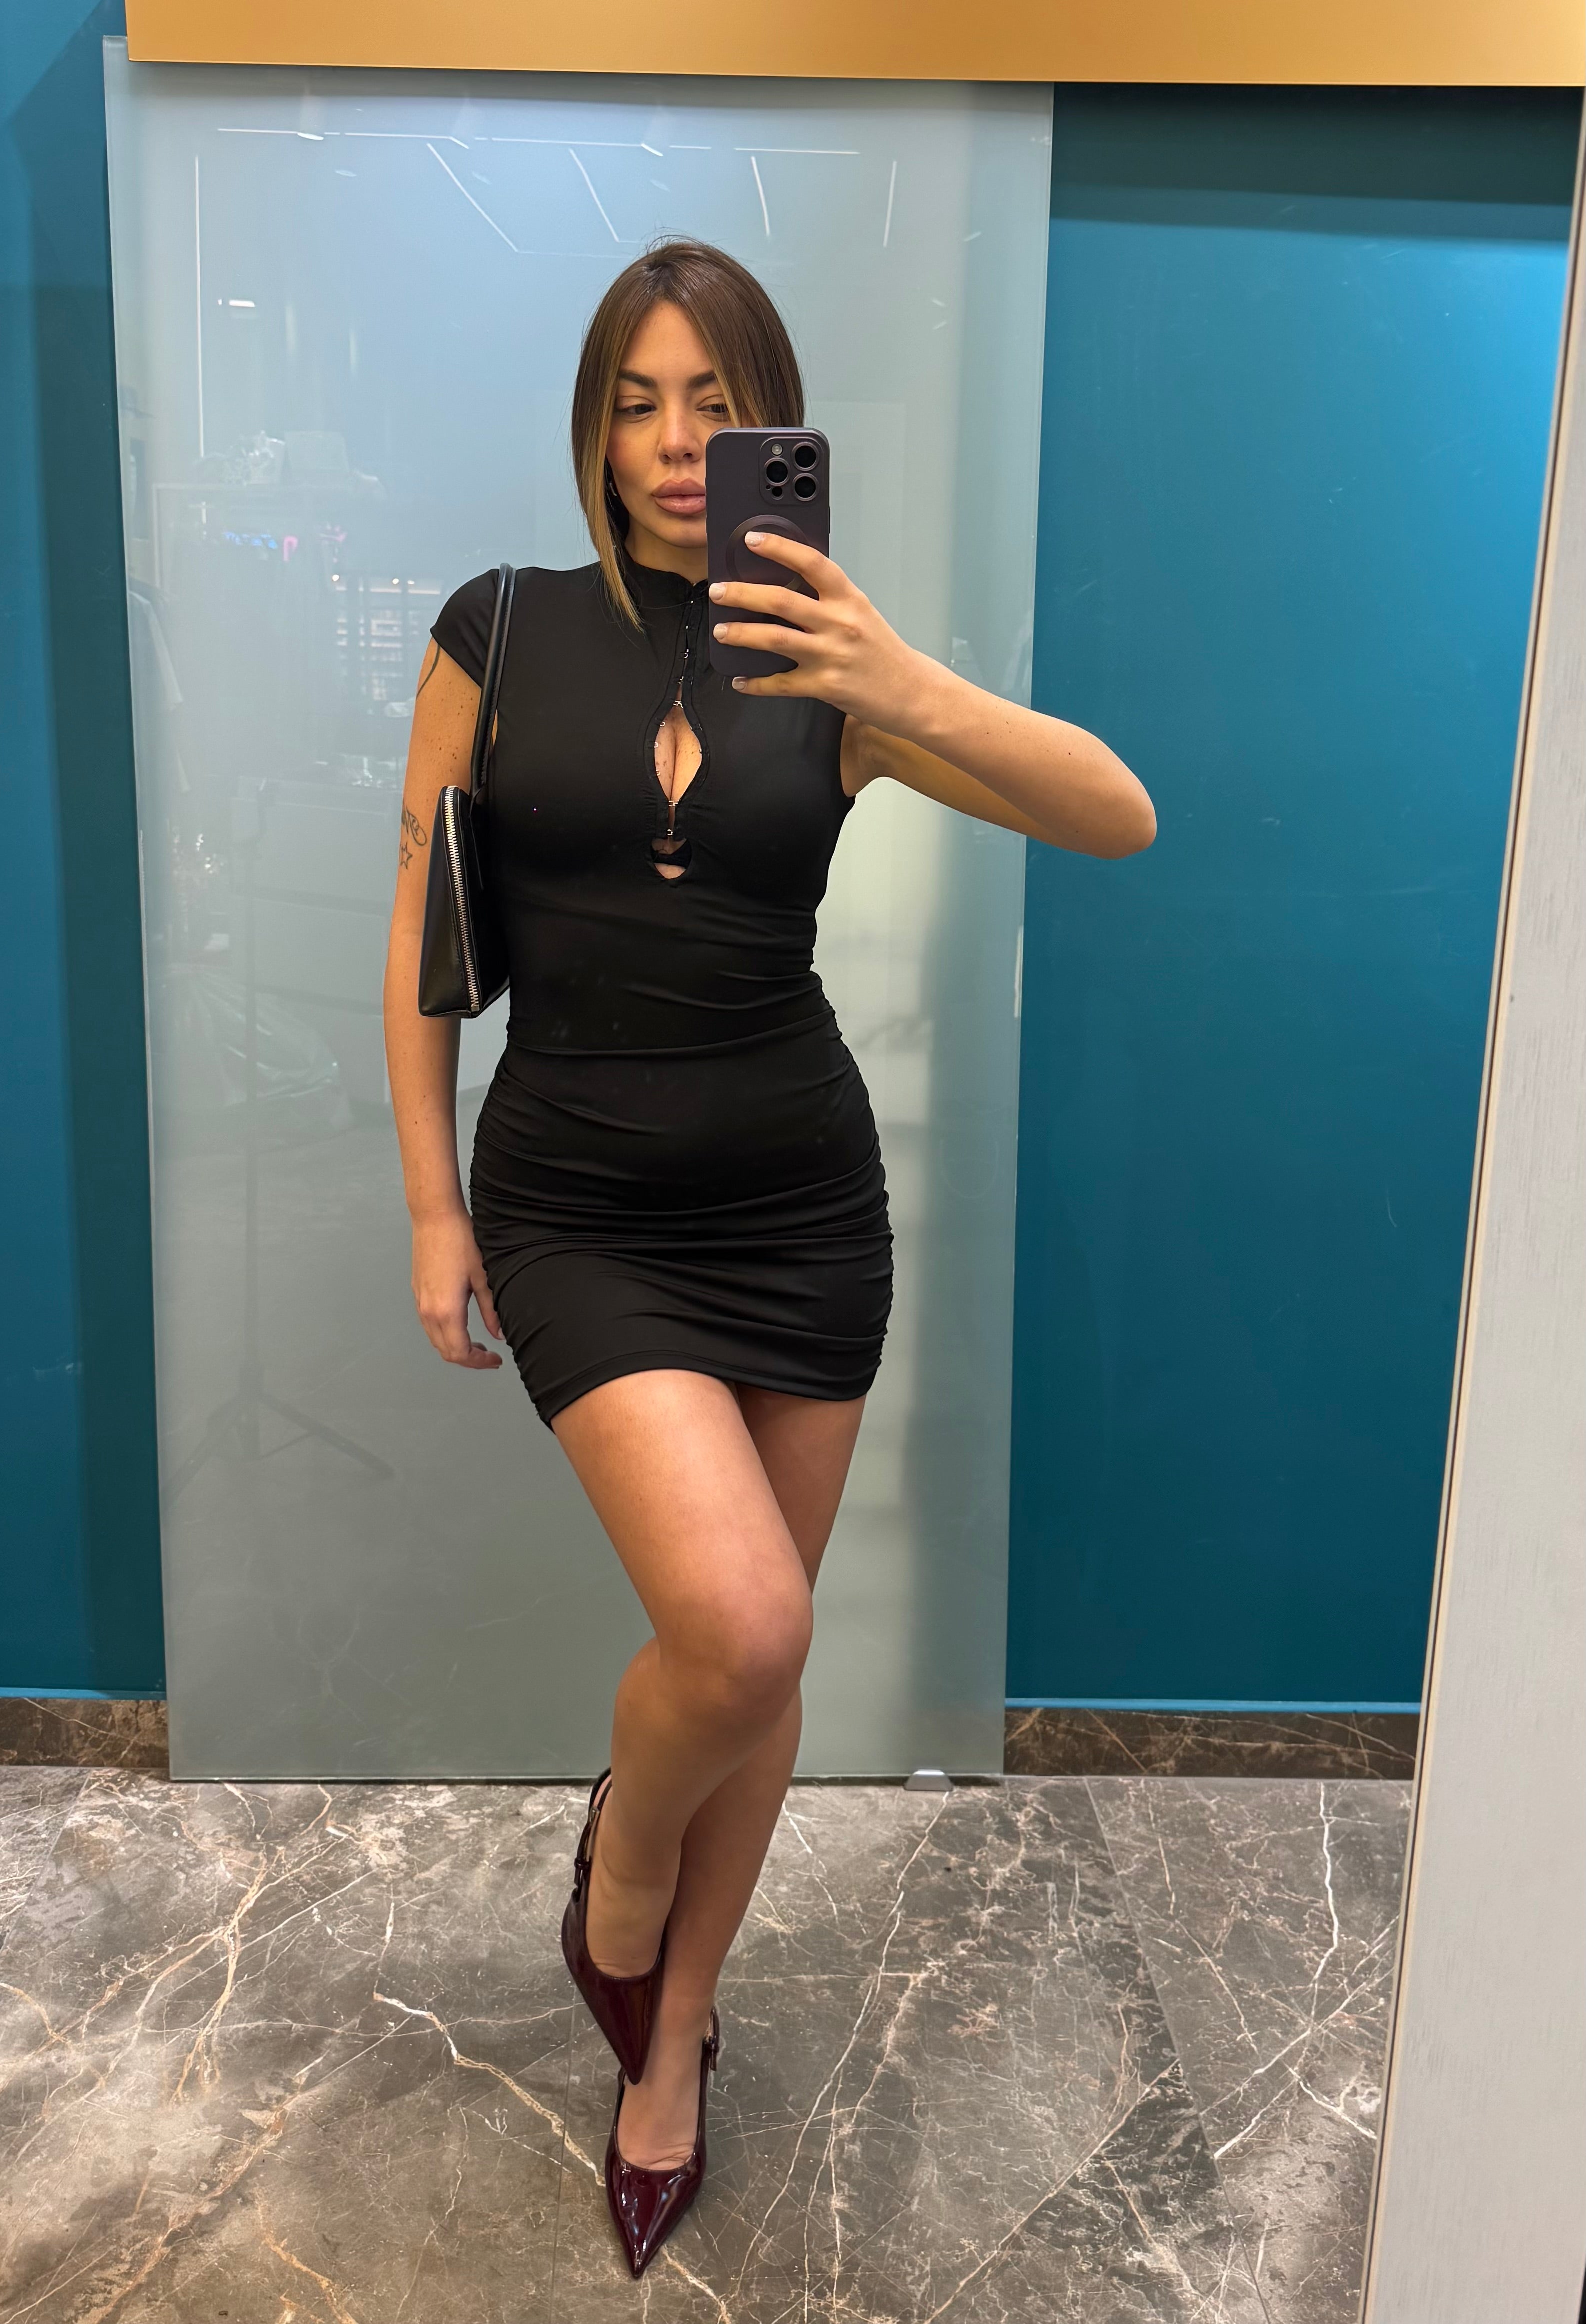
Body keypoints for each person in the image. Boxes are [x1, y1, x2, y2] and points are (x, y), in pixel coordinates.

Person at [382, 240, 1154, 2275]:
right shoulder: (496, 628)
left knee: (769, 1658)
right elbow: (422, 936)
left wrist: (893, 680)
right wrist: (433, 1204)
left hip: (799, 1211)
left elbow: (1120, 815)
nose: (672, 443)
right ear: (590, 424)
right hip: (573, 1202)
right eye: (637, 401)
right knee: (738, 1626)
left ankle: (674, 2041)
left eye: (716, 407)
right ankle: (618, 1889)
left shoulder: (827, 662)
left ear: (775, 433)